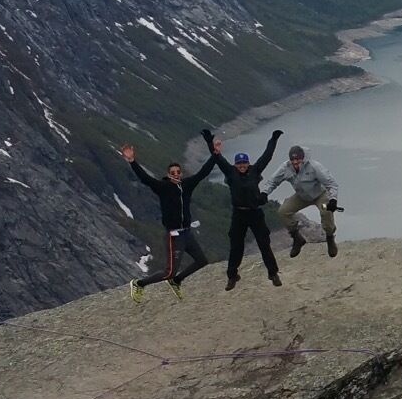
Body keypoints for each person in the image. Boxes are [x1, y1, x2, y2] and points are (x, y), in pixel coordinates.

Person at [121, 144, 214, 301]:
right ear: (168, 174)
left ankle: (177, 281)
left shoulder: (187, 185)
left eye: (178, 172)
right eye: (173, 173)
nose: (176, 175)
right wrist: (132, 161)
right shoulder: (162, 187)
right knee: (169, 271)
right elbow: (145, 179)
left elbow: (203, 173)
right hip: (174, 236)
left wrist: (215, 155)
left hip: (186, 234)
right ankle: (139, 284)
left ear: (181, 173)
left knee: (202, 261)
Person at [202, 126, 283, 289]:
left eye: (244, 162)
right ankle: (232, 276)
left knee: (264, 244)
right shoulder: (230, 172)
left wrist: (273, 140)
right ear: (236, 164)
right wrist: (210, 142)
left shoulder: (255, 171)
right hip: (238, 214)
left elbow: (266, 157)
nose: (242, 165)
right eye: (239, 163)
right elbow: (218, 158)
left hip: (255, 214)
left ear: (248, 163)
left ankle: (273, 273)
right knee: (236, 246)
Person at [264, 143, 341, 258]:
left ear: (302, 158)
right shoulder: (285, 168)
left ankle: (330, 237)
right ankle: (297, 238)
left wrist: (333, 200)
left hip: (319, 195)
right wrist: (264, 193)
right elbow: (272, 182)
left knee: (326, 210)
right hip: (301, 196)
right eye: (292, 160)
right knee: (283, 211)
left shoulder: (314, 166)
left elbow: (331, 184)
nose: (295, 162)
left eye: (298, 159)